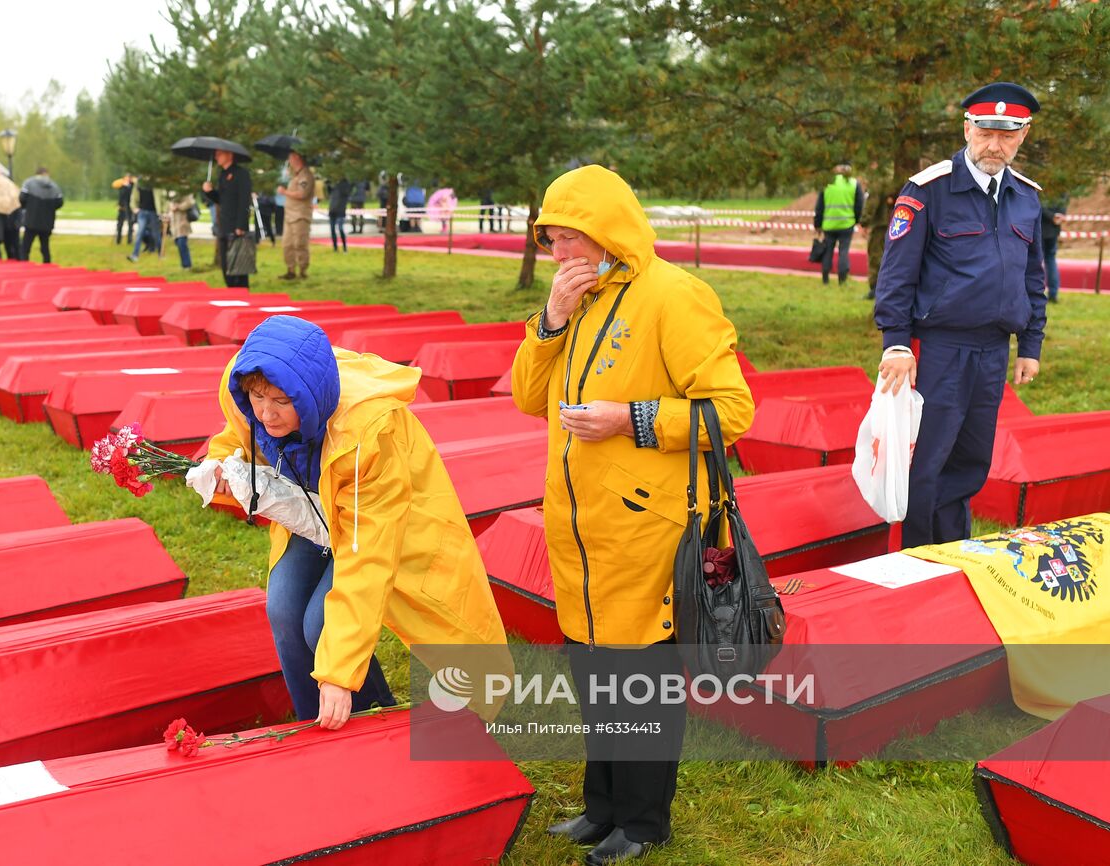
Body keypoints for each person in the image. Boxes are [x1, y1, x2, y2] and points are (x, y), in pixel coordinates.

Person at [511, 165, 753, 865]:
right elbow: (530, 397)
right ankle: (602, 808)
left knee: (638, 681)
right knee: (593, 672)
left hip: (648, 529)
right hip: (581, 530)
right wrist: (550, 320)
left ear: (606, 230)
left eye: (568, 239)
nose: (558, 253)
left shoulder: (673, 296)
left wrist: (633, 420)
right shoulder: (575, 298)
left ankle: (644, 823)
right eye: (552, 239)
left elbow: (731, 412)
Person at [201, 316, 508, 727]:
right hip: (312, 514)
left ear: (308, 398)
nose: (266, 414)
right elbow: (240, 435)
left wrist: (339, 673)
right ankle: (319, 727)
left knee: (321, 624)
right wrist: (219, 466)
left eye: (280, 402)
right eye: (258, 398)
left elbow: (368, 557)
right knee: (284, 610)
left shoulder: (367, 436)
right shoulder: (244, 384)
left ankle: (367, 726)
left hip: (379, 519)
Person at [874, 82, 1047, 548]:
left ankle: (952, 552)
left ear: (1023, 135)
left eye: (1007, 135)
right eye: (986, 131)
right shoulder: (929, 190)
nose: (995, 144)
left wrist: (1030, 345)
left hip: (993, 350)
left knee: (971, 459)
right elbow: (896, 275)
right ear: (967, 127)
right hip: (940, 349)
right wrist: (895, 342)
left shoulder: (1026, 197)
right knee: (929, 461)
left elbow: (1033, 279)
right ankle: (916, 558)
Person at [203, 148, 253, 287]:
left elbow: (244, 200)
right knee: (226, 264)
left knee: (238, 264)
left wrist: (241, 225)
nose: (216, 157)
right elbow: (222, 200)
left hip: (236, 225)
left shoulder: (241, 174)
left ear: (229, 155)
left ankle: (242, 292)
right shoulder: (223, 175)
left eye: (219, 154)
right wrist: (210, 192)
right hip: (224, 225)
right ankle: (231, 290)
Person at [813, 161, 865, 285]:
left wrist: (817, 224)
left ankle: (825, 278)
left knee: (828, 251)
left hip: (829, 225)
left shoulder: (827, 184)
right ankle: (842, 280)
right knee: (843, 252)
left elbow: (819, 206)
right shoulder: (853, 183)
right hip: (847, 224)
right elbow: (859, 205)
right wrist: (857, 220)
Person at [277, 150, 315, 279]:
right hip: (289, 215)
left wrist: (285, 192)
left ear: (297, 157)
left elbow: (302, 194)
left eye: (290, 158)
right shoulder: (294, 176)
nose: (289, 161)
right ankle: (290, 270)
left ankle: (303, 271)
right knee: (287, 244)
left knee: (300, 244)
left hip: (300, 215)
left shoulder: (306, 175)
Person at [20, 166, 64, 264]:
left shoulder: (29, 183)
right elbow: (60, 203)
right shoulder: (54, 186)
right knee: (45, 247)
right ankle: (47, 265)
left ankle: (23, 265)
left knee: (25, 247)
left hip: (31, 219)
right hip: (47, 221)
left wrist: (28, 207)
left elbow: (22, 198)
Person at [1041, 192, 1069, 303]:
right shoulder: (1061, 187)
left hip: (1040, 228)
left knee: (1035, 263)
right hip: (1053, 229)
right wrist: (1058, 216)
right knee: (1051, 260)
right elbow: (1064, 202)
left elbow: (1037, 205)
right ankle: (1053, 294)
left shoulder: (1042, 181)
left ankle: (1034, 292)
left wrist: (1051, 216)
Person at [126, 176, 160, 264]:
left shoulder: (155, 183)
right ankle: (135, 255)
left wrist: (162, 211)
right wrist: (134, 207)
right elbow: (134, 196)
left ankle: (160, 252)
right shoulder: (139, 182)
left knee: (155, 234)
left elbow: (161, 198)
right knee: (140, 233)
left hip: (154, 212)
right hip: (142, 211)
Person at [165, 190, 197, 269]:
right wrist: (168, 212)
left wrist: (178, 206)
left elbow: (190, 202)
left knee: (181, 242)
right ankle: (184, 264)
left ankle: (187, 264)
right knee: (178, 242)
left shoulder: (184, 189)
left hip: (183, 220)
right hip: (174, 221)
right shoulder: (171, 190)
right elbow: (169, 204)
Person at [328, 178, 350, 252]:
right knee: (333, 230)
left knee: (340, 229)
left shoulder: (344, 186)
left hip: (340, 210)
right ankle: (335, 247)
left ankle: (344, 247)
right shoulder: (334, 187)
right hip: (333, 210)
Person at [115, 173, 135, 245]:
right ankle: (118, 240)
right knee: (120, 224)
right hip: (122, 206)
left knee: (130, 223)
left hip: (130, 207)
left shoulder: (132, 186)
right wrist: (119, 205)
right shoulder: (122, 187)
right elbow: (121, 196)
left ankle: (129, 240)